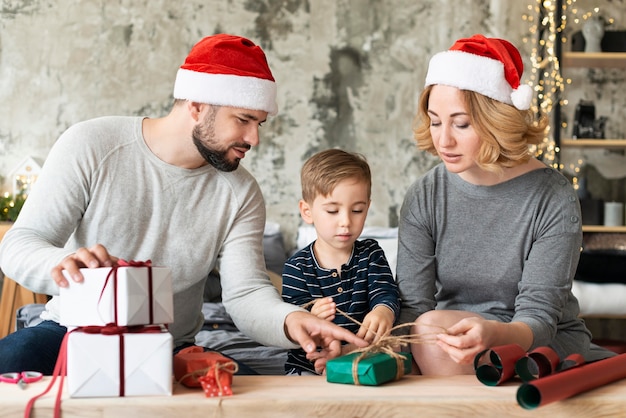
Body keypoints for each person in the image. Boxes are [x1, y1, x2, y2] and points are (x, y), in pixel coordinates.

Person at [0, 34, 367, 375]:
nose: (254, 138)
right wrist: (61, 265)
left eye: (259, 123)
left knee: (251, 401)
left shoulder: (241, 193)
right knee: (13, 359)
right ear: (196, 106)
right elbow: (20, 243)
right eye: (243, 120)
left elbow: (246, 293)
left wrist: (290, 321)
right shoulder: (91, 145)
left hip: (170, 347)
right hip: (71, 331)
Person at [396, 34, 615, 376]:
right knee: (428, 331)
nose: (443, 140)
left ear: (496, 120)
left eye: (461, 123)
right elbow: (412, 310)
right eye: (436, 121)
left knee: (432, 334)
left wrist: (496, 333)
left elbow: (539, 318)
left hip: (537, 342)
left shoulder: (552, 195)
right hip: (451, 340)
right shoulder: (425, 195)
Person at [281, 149, 400, 375]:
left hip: (363, 356)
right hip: (310, 363)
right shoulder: (296, 267)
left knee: (395, 354)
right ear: (307, 212)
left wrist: (384, 311)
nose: (346, 222)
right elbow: (290, 317)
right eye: (333, 211)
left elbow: (385, 292)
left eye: (357, 210)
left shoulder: (371, 253)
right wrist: (310, 317)